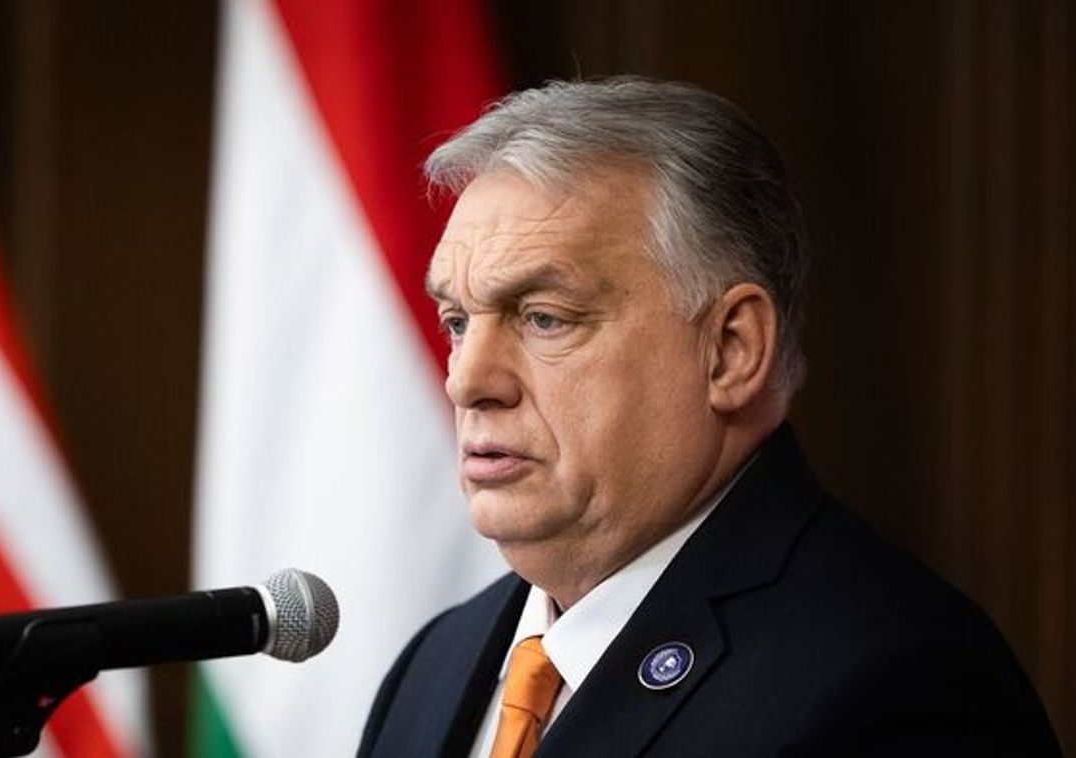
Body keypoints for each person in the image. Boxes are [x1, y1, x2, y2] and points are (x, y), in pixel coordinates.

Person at [356, 76, 1061, 757]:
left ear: (729, 350)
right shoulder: (436, 665)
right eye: (456, 322)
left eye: (545, 318)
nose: (466, 381)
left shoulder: (894, 686)